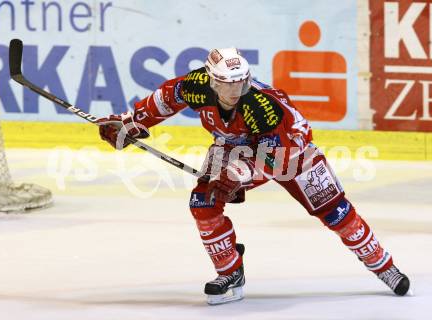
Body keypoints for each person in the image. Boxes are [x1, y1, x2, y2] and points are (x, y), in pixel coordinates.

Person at [96, 48, 411, 305]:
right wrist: (131, 123)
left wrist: (237, 174)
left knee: (335, 212)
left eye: (241, 82)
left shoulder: (262, 108)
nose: (235, 90)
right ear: (212, 81)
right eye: (227, 84)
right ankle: (230, 270)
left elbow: (275, 160)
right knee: (203, 203)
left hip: (292, 154)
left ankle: (383, 265)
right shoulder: (196, 87)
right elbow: (166, 97)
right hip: (234, 148)